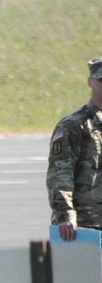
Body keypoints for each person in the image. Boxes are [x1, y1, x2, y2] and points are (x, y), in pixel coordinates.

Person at [48, 58, 102, 242]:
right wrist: (65, 214)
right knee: (82, 271)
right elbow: (60, 172)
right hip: (86, 225)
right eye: (101, 80)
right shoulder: (74, 125)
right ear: (90, 82)